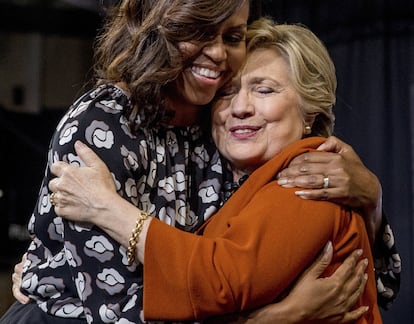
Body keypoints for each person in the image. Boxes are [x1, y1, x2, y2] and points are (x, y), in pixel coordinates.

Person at [2, 0, 399, 322]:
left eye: (232, 36)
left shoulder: (232, 141)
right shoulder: (104, 124)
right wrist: (277, 317)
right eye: (198, 30)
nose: (217, 53)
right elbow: (113, 307)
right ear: (159, 26)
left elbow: (377, 284)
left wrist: (372, 197)